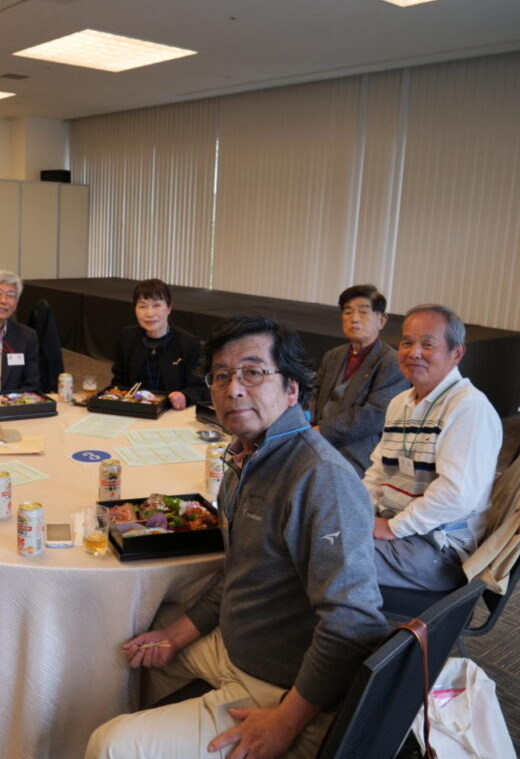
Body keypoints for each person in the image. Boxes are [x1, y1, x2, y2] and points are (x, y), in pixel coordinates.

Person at [87, 315, 387, 759]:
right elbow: (240, 569)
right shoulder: (244, 456)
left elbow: (354, 625)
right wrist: (175, 636)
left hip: (280, 685)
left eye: (253, 372)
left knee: (110, 746)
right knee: (131, 639)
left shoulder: (321, 478)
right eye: (222, 376)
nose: (234, 389)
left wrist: (285, 722)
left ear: (292, 389)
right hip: (235, 645)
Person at [362, 304, 502, 591]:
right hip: (397, 527)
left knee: (329, 556)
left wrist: (393, 528)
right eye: (407, 343)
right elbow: (378, 472)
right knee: (316, 535)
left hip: (439, 549)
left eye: (428, 345)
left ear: (457, 353)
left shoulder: (469, 408)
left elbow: (457, 495)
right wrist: (360, 514)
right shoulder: (400, 403)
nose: (414, 352)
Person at [309, 284, 407, 475]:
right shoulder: (333, 355)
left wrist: (321, 431)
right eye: (348, 312)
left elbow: (374, 415)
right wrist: (307, 427)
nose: (354, 319)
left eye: (363, 312)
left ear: (381, 320)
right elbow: (313, 394)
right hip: (315, 441)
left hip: (356, 452)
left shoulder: (392, 362)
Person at [110, 279, 209, 409]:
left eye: (156, 305)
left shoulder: (188, 343)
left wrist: (185, 396)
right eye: (143, 306)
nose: (149, 313)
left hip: (171, 410)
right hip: (133, 408)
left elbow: (200, 388)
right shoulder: (127, 337)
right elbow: (119, 381)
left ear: (169, 307)